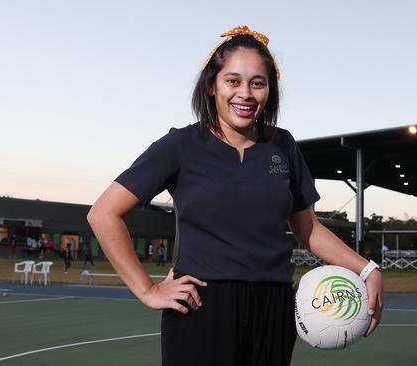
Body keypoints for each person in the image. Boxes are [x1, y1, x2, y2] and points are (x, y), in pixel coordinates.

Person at [87, 25, 383, 366]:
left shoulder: (282, 145)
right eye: (233, 81)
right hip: (201, 307)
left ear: (269, 91)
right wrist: (148, 290)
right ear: (212, 86)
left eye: (257, 83)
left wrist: (367, 269)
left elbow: (309, 229)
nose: (245, 93)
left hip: (273, 308)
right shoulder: (181, 145)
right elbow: (104, 213)